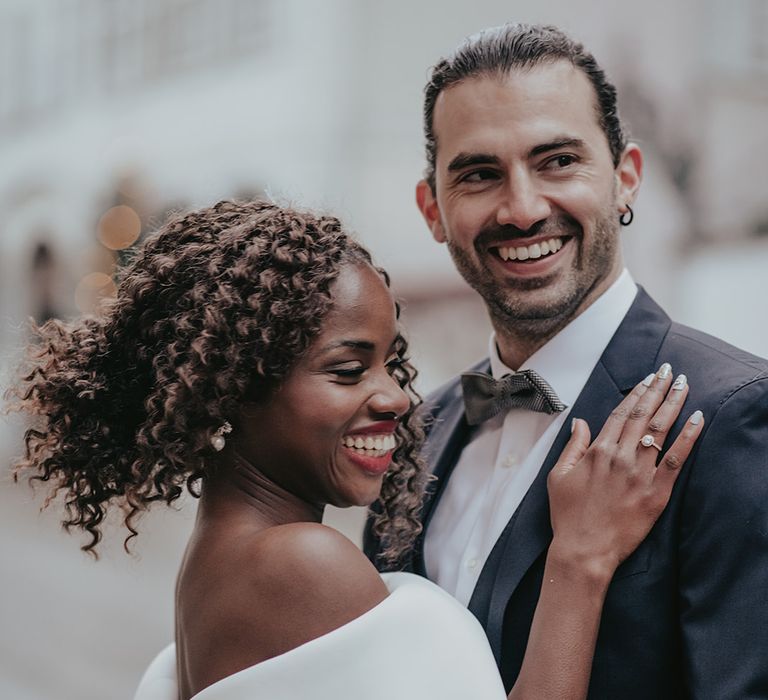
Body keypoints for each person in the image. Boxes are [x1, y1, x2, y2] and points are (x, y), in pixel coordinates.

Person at [9, 199, 702, 700]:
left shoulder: (220, 556)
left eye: (388, 364)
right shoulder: (299, 564)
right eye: (347, 370)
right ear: (234, 392)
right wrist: (580, 560)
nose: (397, 397)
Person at [365, 22, 768, 699]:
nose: (522, 209)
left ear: (626, 179)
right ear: (433, 210)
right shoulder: (417, 431)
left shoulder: (734, 417)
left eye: (557, 161)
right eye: (480, 174)